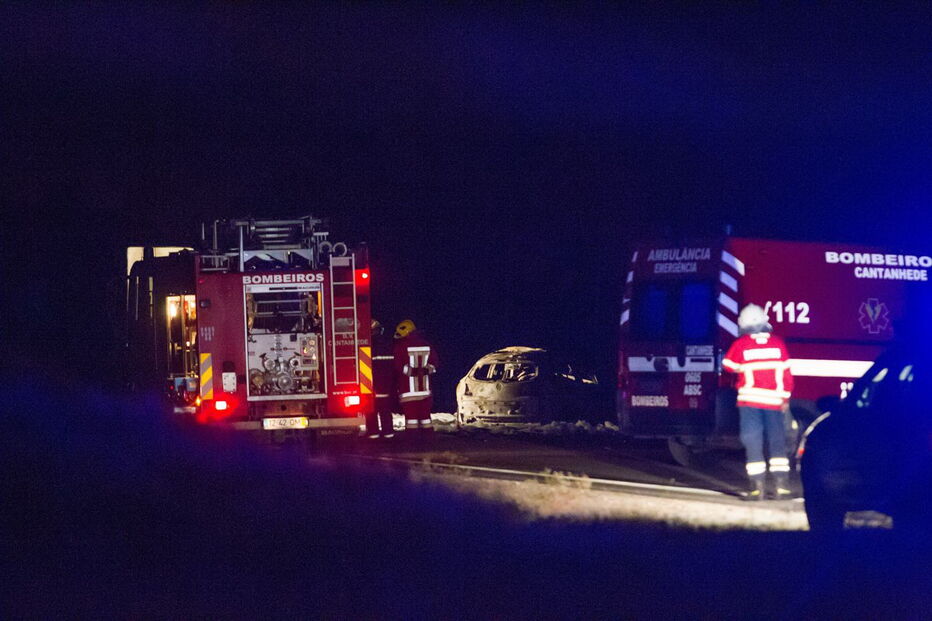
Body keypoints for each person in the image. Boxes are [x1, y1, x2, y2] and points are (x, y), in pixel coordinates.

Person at [722, 304, 794, 500]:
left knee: (753, 442)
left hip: (750, 403)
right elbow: (787, 374)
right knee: (777, 443)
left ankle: (757, 488)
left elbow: (729, 366)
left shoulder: (742, 344)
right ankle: (782, 487)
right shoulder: (778, 344)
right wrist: (785, 398)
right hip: (775, 402)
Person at [392, 319, 438, 436]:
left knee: (411, 420)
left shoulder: (400, 347)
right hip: (425, 392)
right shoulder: (427, 344)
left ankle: (412, 441)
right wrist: (425, 370)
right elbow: (435, 364)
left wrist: (413, 372)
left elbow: (398, 366)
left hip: (408, 392)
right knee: (425, 419)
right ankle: (428, 440)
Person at [366, 320, 396, 439]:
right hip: (386, 384)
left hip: (372, 384)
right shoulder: (388, 344)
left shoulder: (368, 345)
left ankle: (373, 433)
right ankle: (388, 433)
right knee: (385, 409)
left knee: (371, 409)